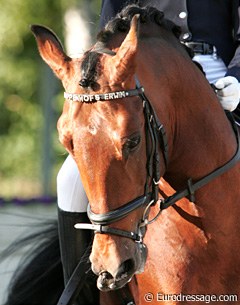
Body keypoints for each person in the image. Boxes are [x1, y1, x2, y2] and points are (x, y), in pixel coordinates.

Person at [57, 0, 240, 297]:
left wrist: (238, 78)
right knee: (68, 180)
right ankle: (83, 295)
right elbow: (108, 35)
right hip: (146, 72)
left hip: (217, 71)